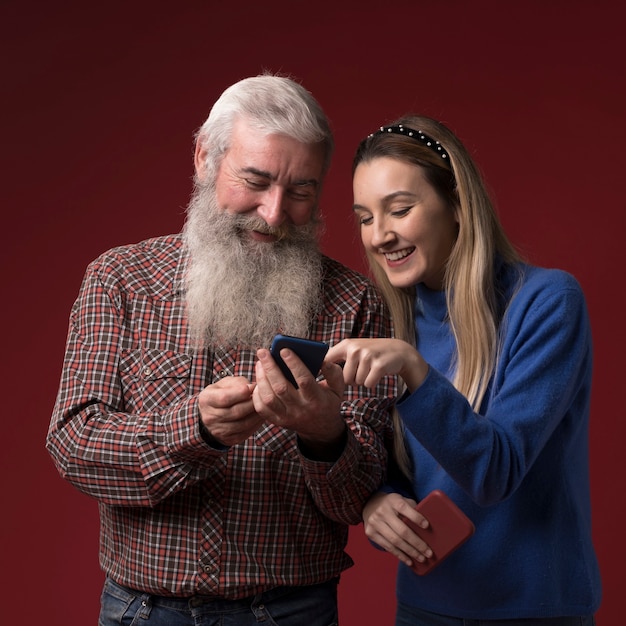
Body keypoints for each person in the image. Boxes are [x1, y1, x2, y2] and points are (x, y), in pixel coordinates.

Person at [46, 74, 396, 626]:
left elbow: (362, 499)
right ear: (205, 158)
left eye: (301, 190)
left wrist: (326, 436)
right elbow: (74, 446)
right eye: (255, 180)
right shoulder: (120, 280)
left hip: (292, 612)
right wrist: (196, 431)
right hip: (142, 610)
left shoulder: (356, 305)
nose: (275, 213)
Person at [325, 117, 602, 625]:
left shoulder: (546, 303)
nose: (379, 235)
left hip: (535, 612)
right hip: (425, 608)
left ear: (455, 203)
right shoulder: (393, 324)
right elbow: (391, 460)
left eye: (399, 210)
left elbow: (495, 470)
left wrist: (415, 373)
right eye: (364, 217)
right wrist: (378, 500)